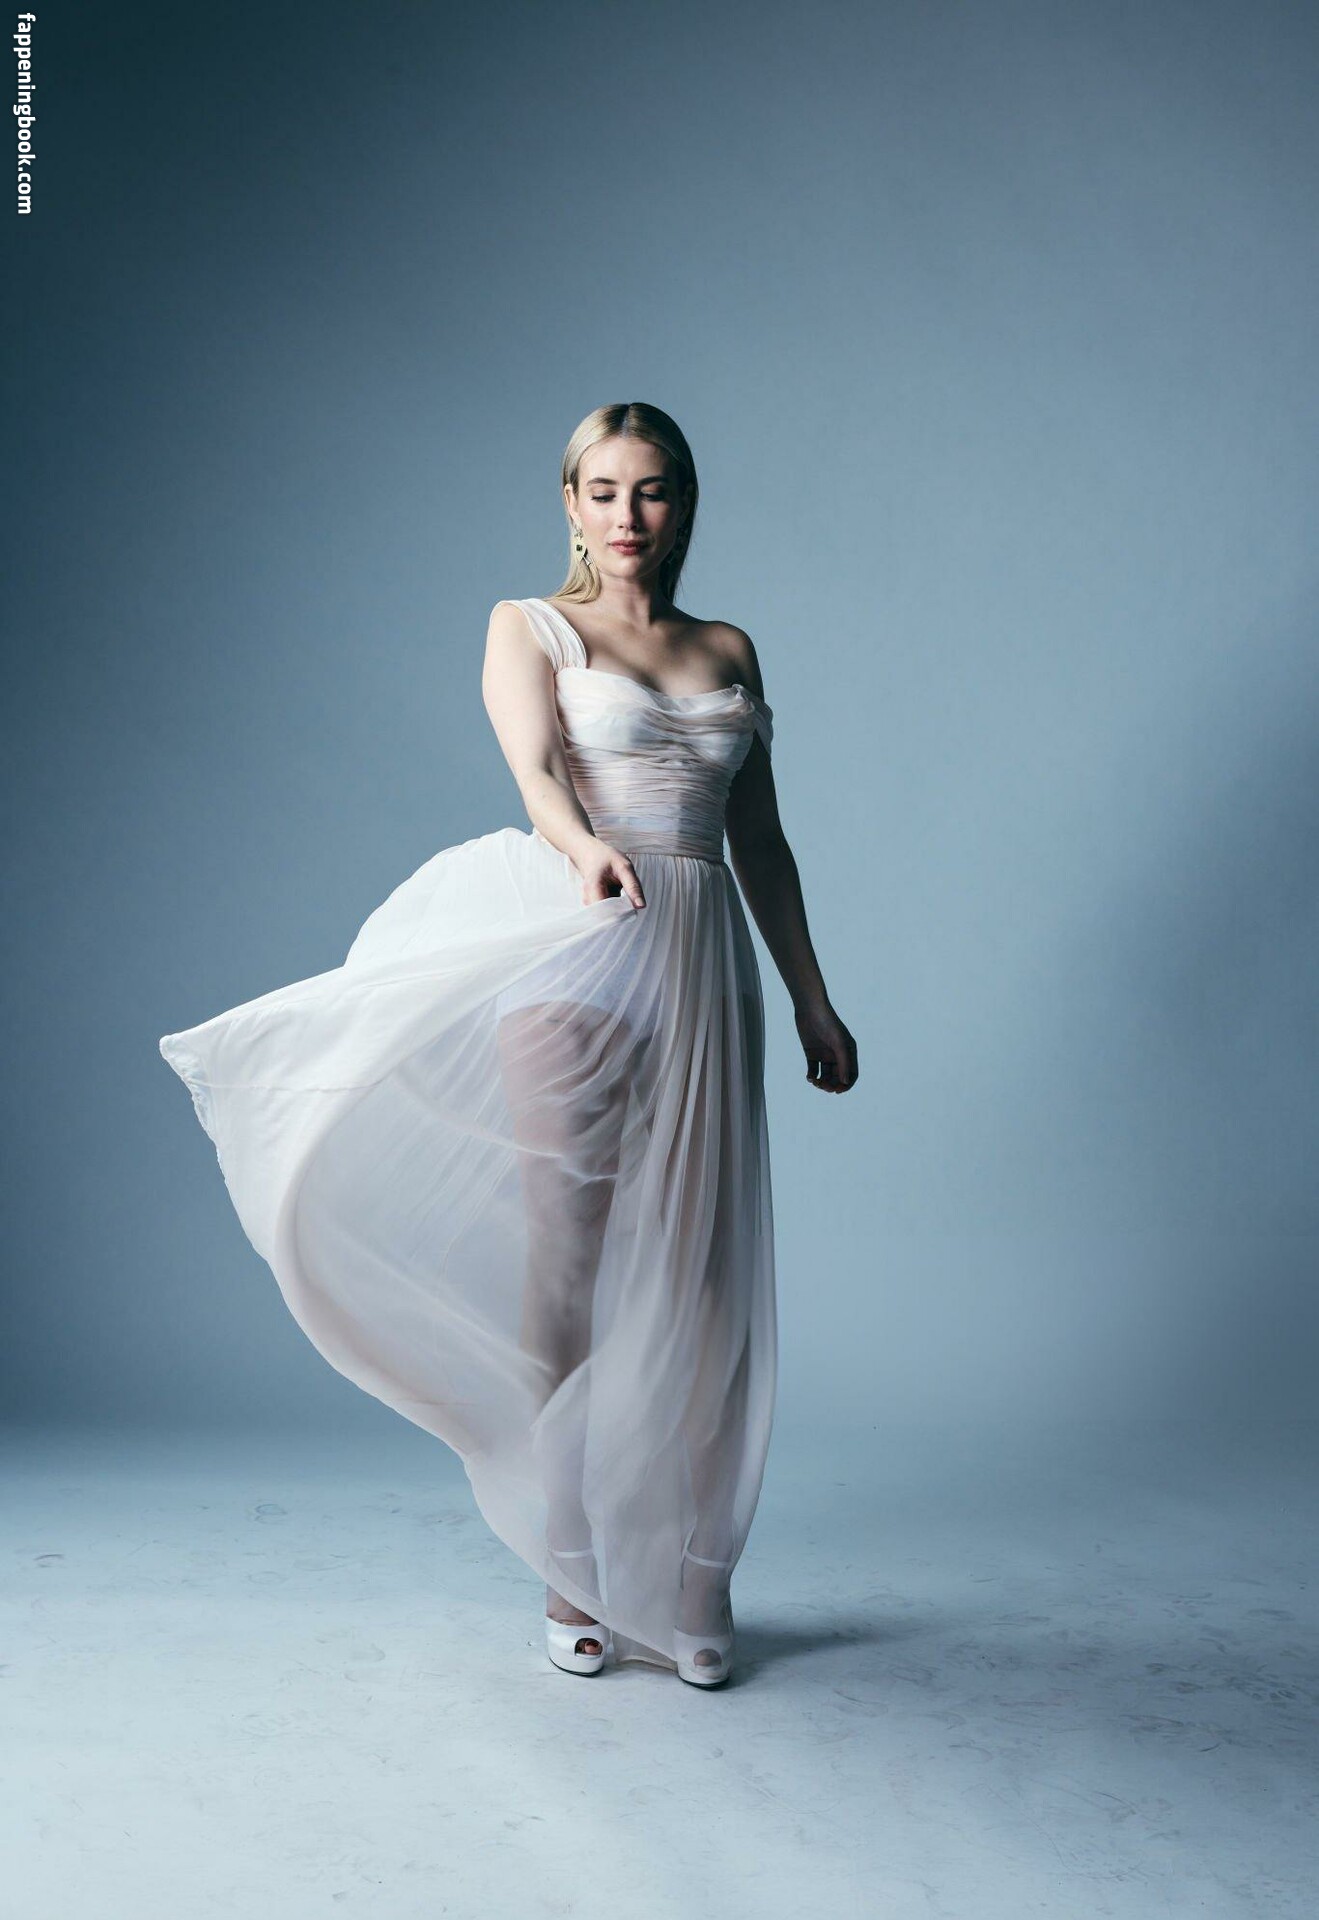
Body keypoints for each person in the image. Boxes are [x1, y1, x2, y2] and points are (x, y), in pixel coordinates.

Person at [159, 401, 858, 1687]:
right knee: (566, 1266)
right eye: (603, 490)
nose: (627, 515)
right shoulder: (528, 626)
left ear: (684, 503)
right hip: (583, 949)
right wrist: (583, 847)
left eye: (651, 490)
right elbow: (536, 772)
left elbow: (760, 841)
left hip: (704, 972)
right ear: (569, 504)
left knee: (706, 1278)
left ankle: (698, 1577)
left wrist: (812, 997)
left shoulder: (726, 647)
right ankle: (569, 1564)